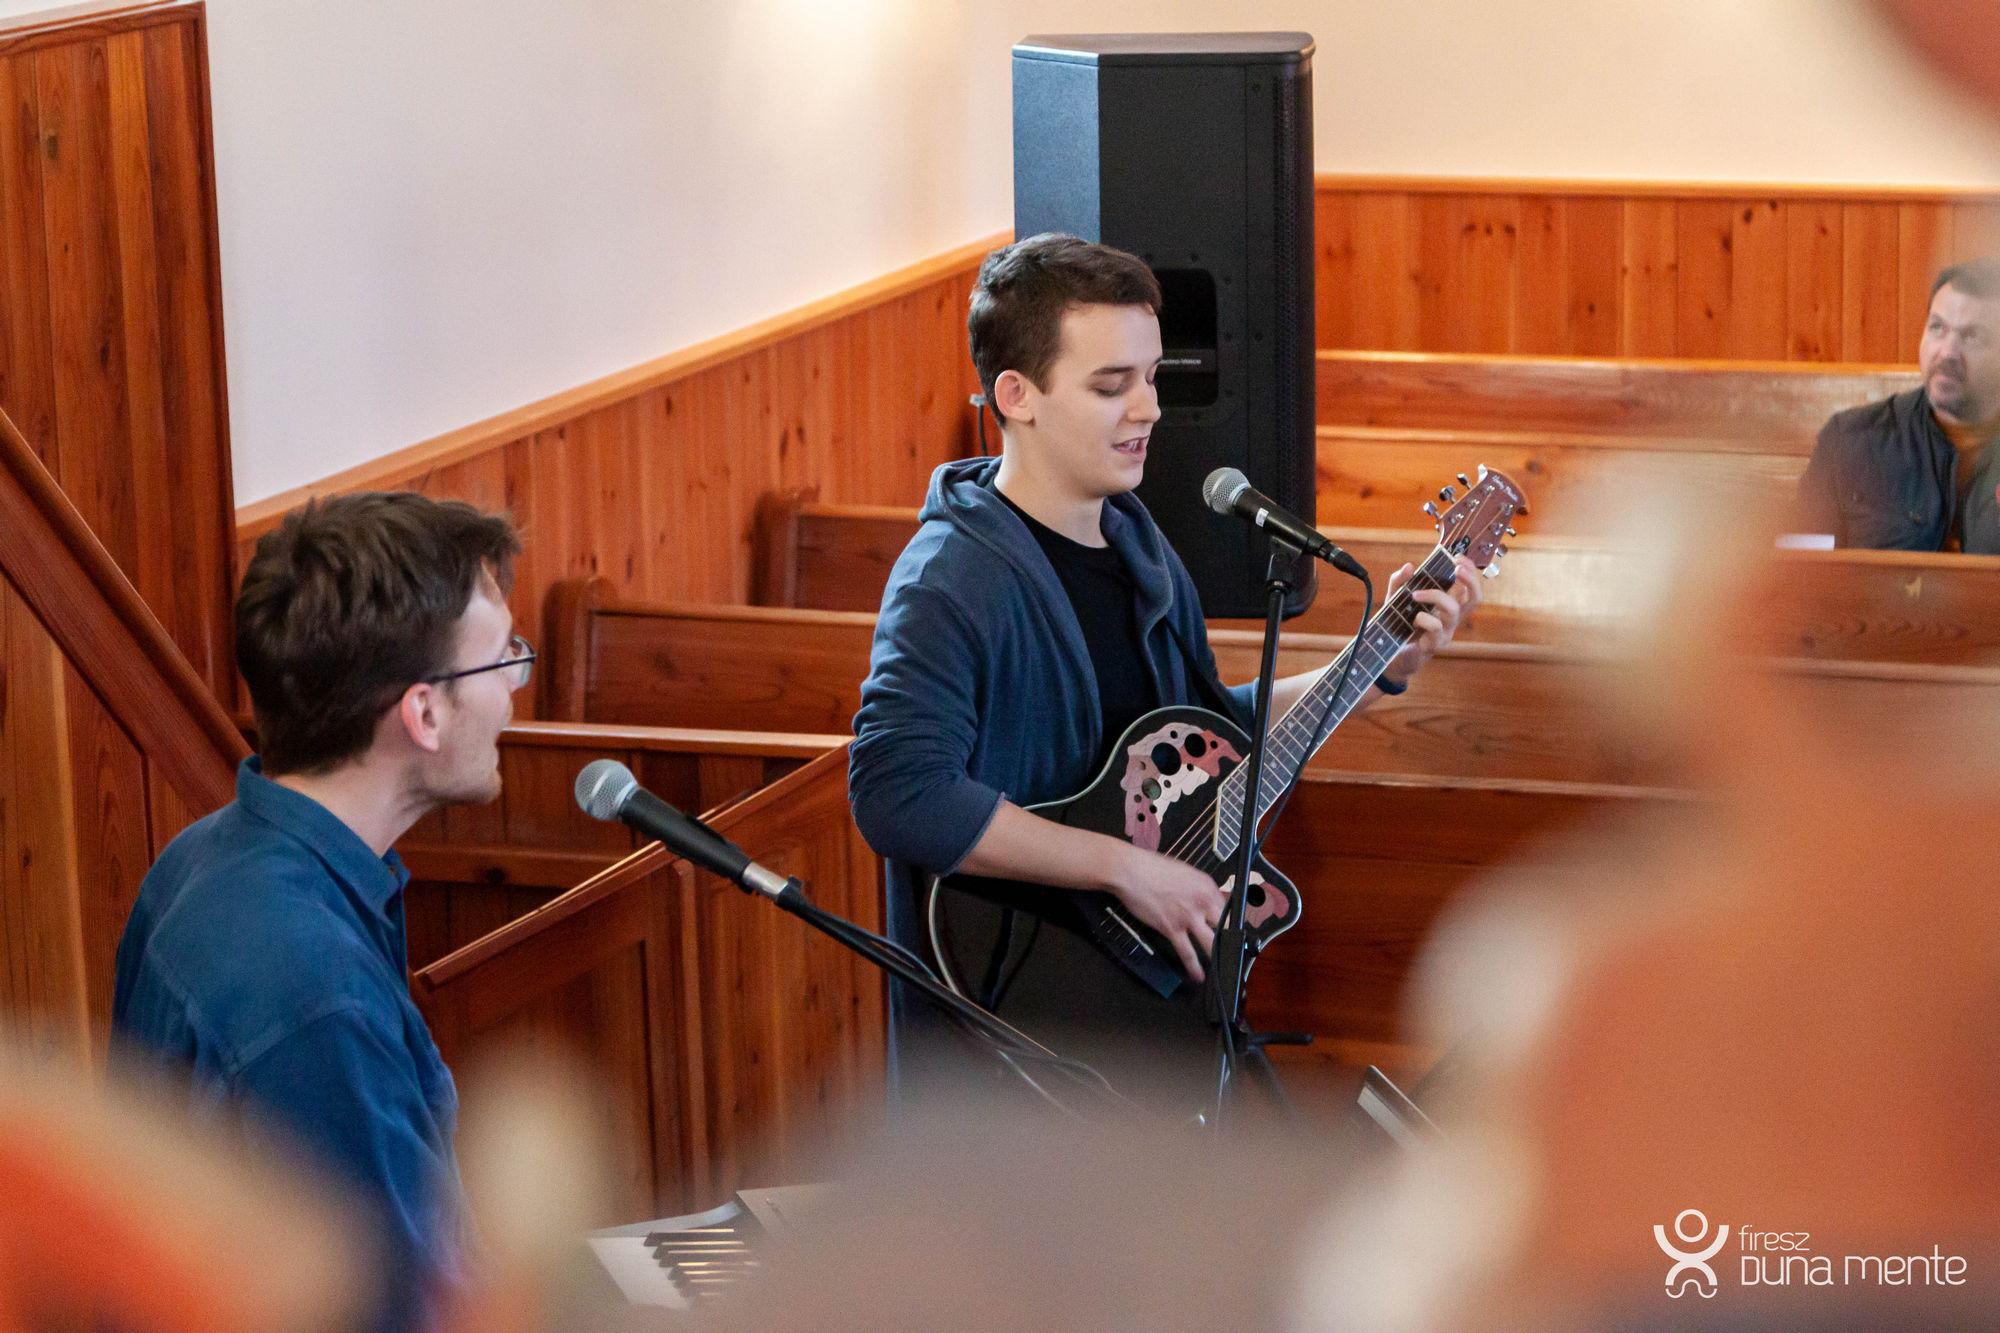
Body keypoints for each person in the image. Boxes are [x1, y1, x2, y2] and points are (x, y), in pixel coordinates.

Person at [848, 234, 1481, 1090]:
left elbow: (1209, 729)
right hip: (1017, 1033)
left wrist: (1378, 663)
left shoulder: (1139, 548)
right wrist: (1125, 868)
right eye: (1112, 385)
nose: (1147, 409)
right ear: (1017, 395)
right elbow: (897, 794)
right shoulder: (951, 580)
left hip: (1149, 1002)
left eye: (1151, 377)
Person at [112, 492, 530, 1331]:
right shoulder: (312, 986)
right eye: (501, 662)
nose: (515, 692)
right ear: (423, 712)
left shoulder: (199, 856)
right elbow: (394, 1309)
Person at [1797, 260, 2000, 552]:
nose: (1947, 352)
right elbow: (1800, 568)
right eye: (1937, 328)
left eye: (1972, 336)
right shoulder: (1851, 442)